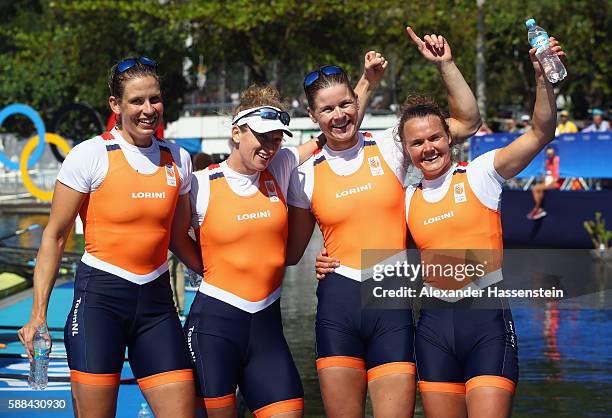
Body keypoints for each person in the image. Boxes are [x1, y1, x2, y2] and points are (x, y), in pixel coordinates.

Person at [287, 26, 481, 418]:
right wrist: (318, 259)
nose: (339, 115)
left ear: (355, 103)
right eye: (326, 109)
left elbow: (468, 121)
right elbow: (291, 253)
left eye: (345, 104)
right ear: (312, 115)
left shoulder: (392, 145)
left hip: (389, 301)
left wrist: (445, 65)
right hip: (337, 304)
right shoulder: (302, 174)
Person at [185, 56, 383, 418]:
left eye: (276, 139)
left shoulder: (282, 165)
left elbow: (336, 127)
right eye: (261, 137)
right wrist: (202, 266)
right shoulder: (201, 185)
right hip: (214, 326)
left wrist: (367, 82)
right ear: (236, 132)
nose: (269, 147)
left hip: (266, 328)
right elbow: (168, 234)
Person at [18, 56, 201, 418]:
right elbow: (54, 237)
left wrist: (219, 276)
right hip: (99, 303)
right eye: (137, 101)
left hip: (156, 305)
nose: (148, 109)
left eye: (155, 99)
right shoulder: (89, 155)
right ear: (115, 105)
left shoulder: (178, 158)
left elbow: (179, 238)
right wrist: (37, 314)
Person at [527, 146, 561, 220]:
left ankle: (537, 209)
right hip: (549, 182)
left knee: (537, 188)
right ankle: (539, 209)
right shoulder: (547, 162)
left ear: (553, 153)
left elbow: (557, 176)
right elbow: (548, 174)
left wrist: (552, 182)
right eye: (548, 154)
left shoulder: (557, 160)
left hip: (556, 183)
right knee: (536, 188)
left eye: (551, 153)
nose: (550, 155)